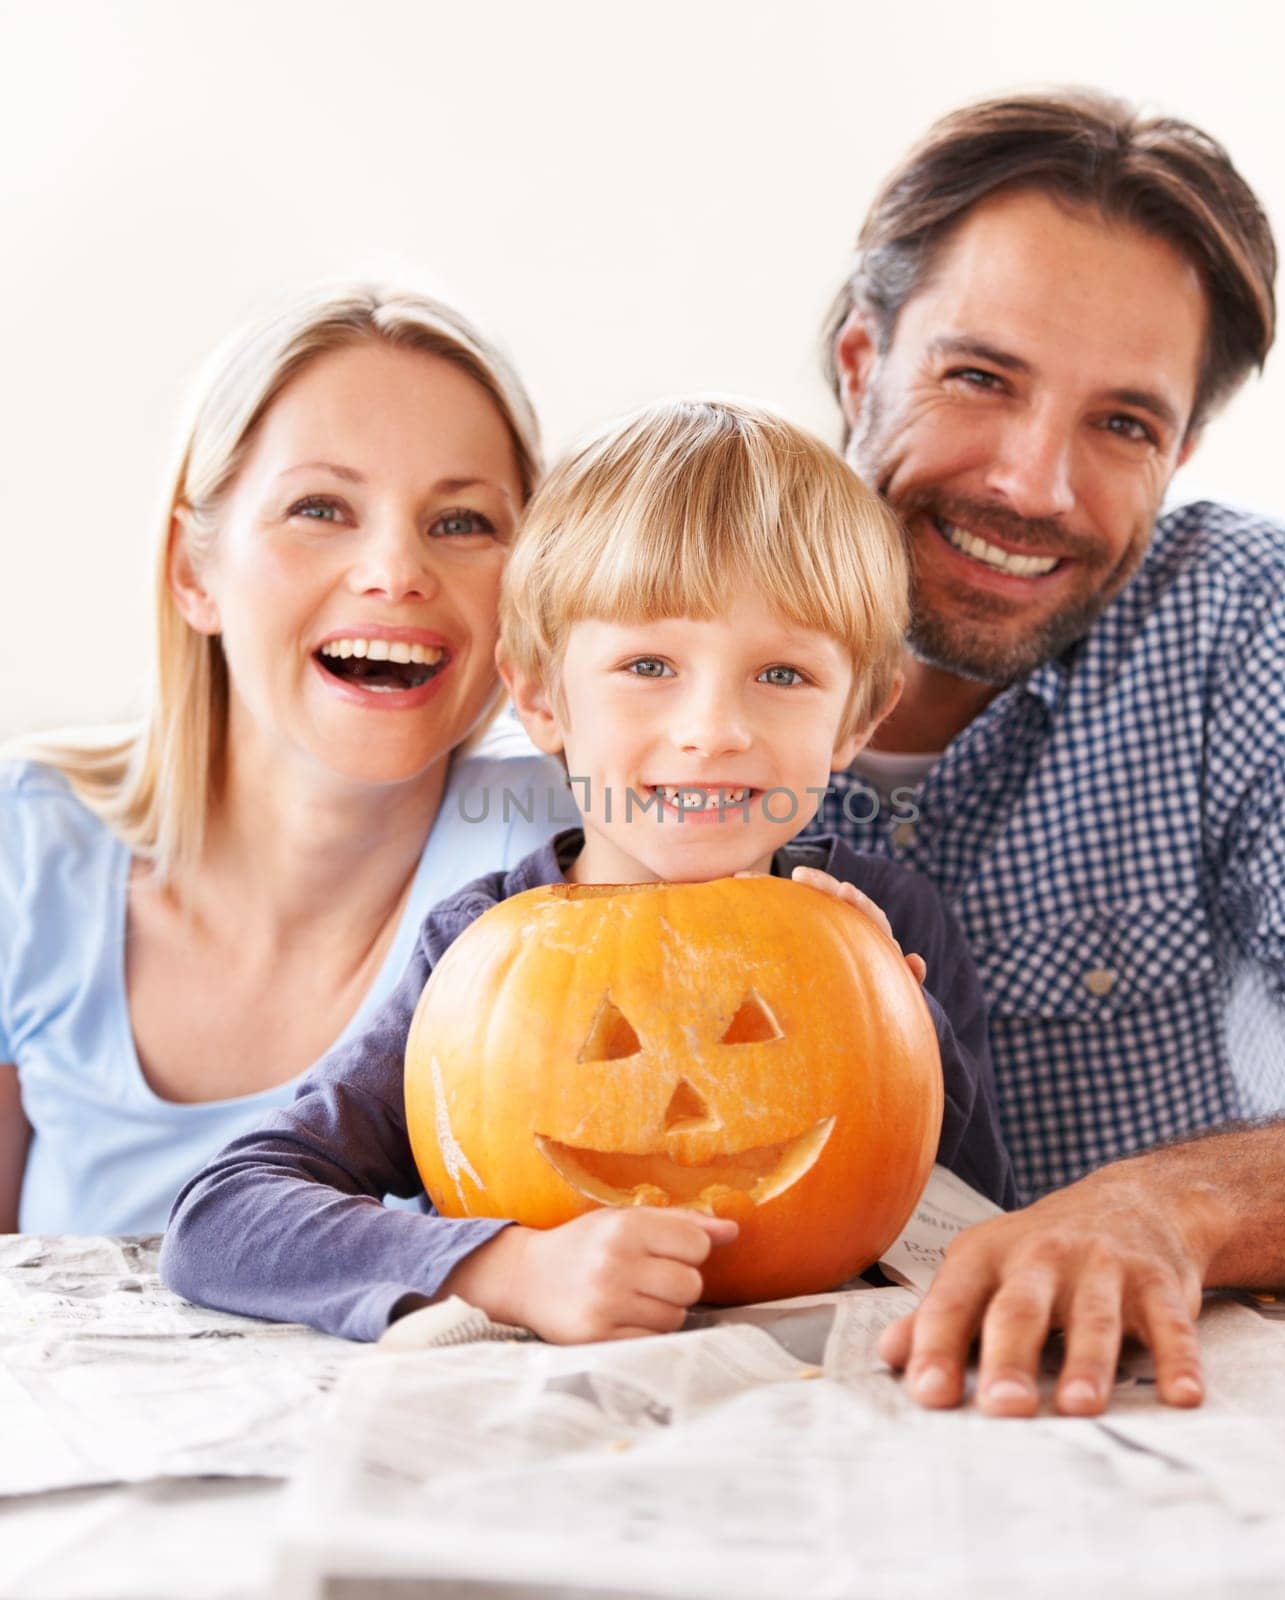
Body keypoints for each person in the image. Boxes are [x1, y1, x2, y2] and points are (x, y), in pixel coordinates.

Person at [160, 398, 1016, 1343]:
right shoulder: (479, 953)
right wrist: (506, 1269)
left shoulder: (889, 920)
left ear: (857, 719)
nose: (714, 730)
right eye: (649, 664)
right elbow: (222, 1217)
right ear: (539, 695)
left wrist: (901, 1020)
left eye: (782, 676)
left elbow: (981, 1224)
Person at [800, 90, 1285, 1416]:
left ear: (1181, 448)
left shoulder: (1260, 628)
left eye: (1120, 424)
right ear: (857, 362)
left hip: (1116, 1436)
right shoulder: (648, 603)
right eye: (979, 377)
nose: (1032, 486)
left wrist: (1167, 1205)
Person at [0, 285, 570, 1235]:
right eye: (321, 507)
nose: (396, 570)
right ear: (194, 572)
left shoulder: (563, 858)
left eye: (464, 522)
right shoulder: (27, 849)